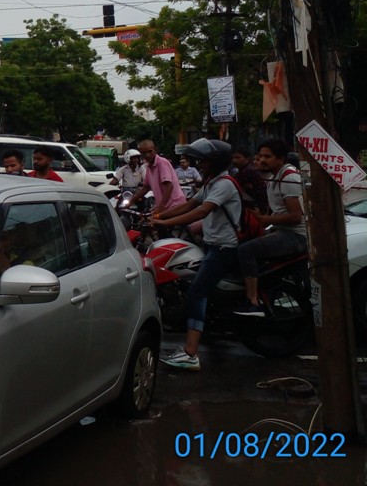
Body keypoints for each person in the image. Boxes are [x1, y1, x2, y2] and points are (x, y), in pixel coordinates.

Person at [149, 139, 242, 371]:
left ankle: (191, 352)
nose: (199, 164)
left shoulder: (225, 184)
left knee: (197, 291)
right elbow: (189, 204)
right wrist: (158, 217)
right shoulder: (212, 183)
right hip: (212, 245)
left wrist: (165, 221)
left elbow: (200, 211)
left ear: (216, 161)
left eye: (203, 160)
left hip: (224, 248)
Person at [233, 139, 307, 317]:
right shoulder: (274, 177)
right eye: (260, 156)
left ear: (281, 158)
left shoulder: (288, 177)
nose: (263, 160)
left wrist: (264, 218)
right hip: (281, 230)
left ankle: (252, 302)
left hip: (295, 235)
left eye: (268, 156)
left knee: (246, 250)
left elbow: (295, 216)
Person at [130, 139, 186, 216]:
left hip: (174, 205)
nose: (147, 155)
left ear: (155, 150)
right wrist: (131, 201)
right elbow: (146, 187)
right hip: (165, 207)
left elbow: (169, 186)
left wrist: (160, 208)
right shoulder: (149, 167)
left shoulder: (161, 162)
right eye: (144, 153)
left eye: (150, 151)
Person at [230, 146, 269, 213]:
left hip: (257, 208)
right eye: (233, 158)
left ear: (247, 158)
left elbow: (233, 186)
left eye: (238, 157)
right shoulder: (241, 170)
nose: (234, 160)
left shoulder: (248, 171)